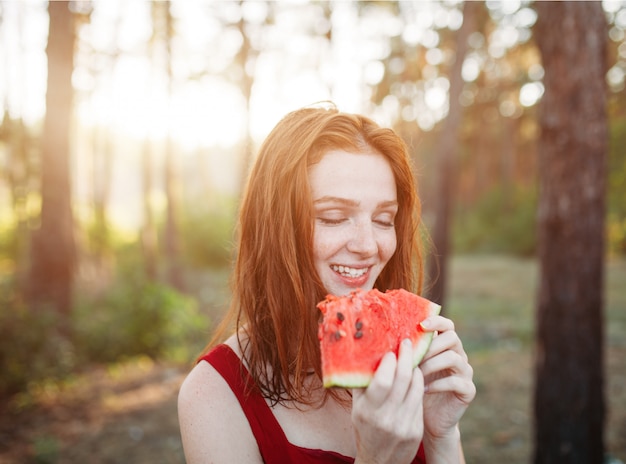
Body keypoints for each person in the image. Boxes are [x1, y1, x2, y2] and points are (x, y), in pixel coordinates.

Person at [178, 104, 476, 463]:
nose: (368, 246)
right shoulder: (211, 395)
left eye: (384, 219)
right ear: (276, 228)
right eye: (334, 217)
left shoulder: (406, 365)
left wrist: (442, 436)